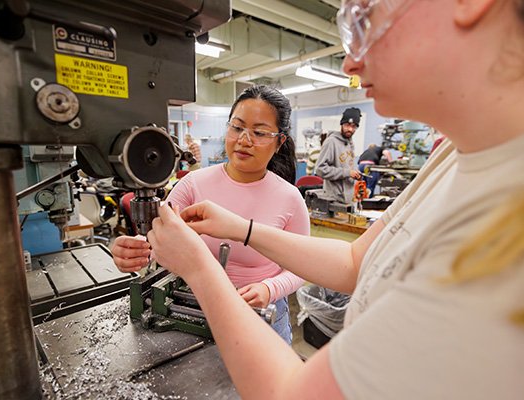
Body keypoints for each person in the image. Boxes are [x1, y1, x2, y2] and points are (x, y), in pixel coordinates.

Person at [145, 1, 524, 399]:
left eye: (364, 18)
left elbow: (292, 394)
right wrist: (242, 229)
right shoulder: (457, 156)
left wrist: (201, 269)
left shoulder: (504, 226)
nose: (350, 65)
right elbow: (355, 262)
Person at [112, 85, 310, 343]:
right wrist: (133, 251)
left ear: (279, 141)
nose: (244, 140)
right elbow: (157, 241)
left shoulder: (290, 198)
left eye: (259, 132)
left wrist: (269, 288)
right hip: (193, 309)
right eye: (237, 128)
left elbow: (301, 267)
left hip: (261, 315)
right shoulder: (193, 184)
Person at [314, 107, 362, 204]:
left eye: (354, 126)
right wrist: (347, 173)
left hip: (349, 199)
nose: (350, 129)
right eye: (347, 125)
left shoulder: (350, 144)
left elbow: (348, 166)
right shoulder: (331, 142)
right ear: (342, 124)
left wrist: (355, 173)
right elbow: (320, 169)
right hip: (334, 199)